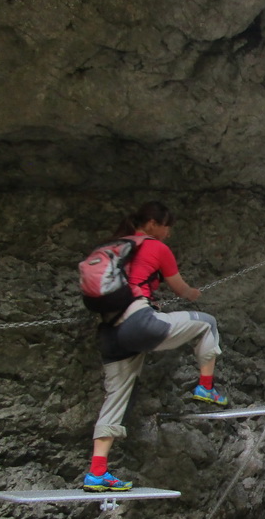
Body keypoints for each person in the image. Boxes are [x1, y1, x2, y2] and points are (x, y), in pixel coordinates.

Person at [84, 201, 228, 492]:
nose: (168, 233)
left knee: (116, 397)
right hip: (139, 323)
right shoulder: (156, 247)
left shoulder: (118, 248)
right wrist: (193, 293)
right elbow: (180, 289)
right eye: (166, 227)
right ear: (152, 224)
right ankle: (206, 387)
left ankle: (96, 472)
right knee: (207, 323)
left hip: (111, 332)